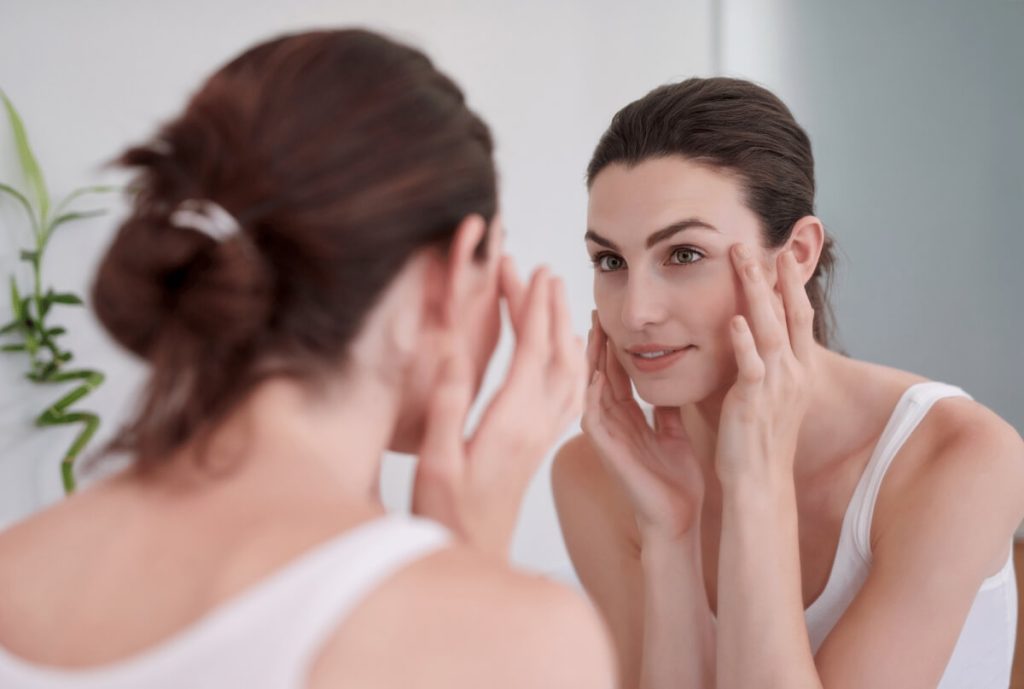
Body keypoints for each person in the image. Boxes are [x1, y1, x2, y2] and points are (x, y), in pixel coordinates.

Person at [0, 29, 614, 689]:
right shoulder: (514, 634)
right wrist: (474, 562)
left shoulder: (20, 564)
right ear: (451, 275)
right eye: (498, 256)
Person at [552, 77, 1023, 689]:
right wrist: (670, 535)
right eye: (610, 261)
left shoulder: (959, 457)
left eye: (684, 254)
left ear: (796, 254)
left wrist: (757, 481)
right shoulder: (598, 476)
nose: (635, 311)